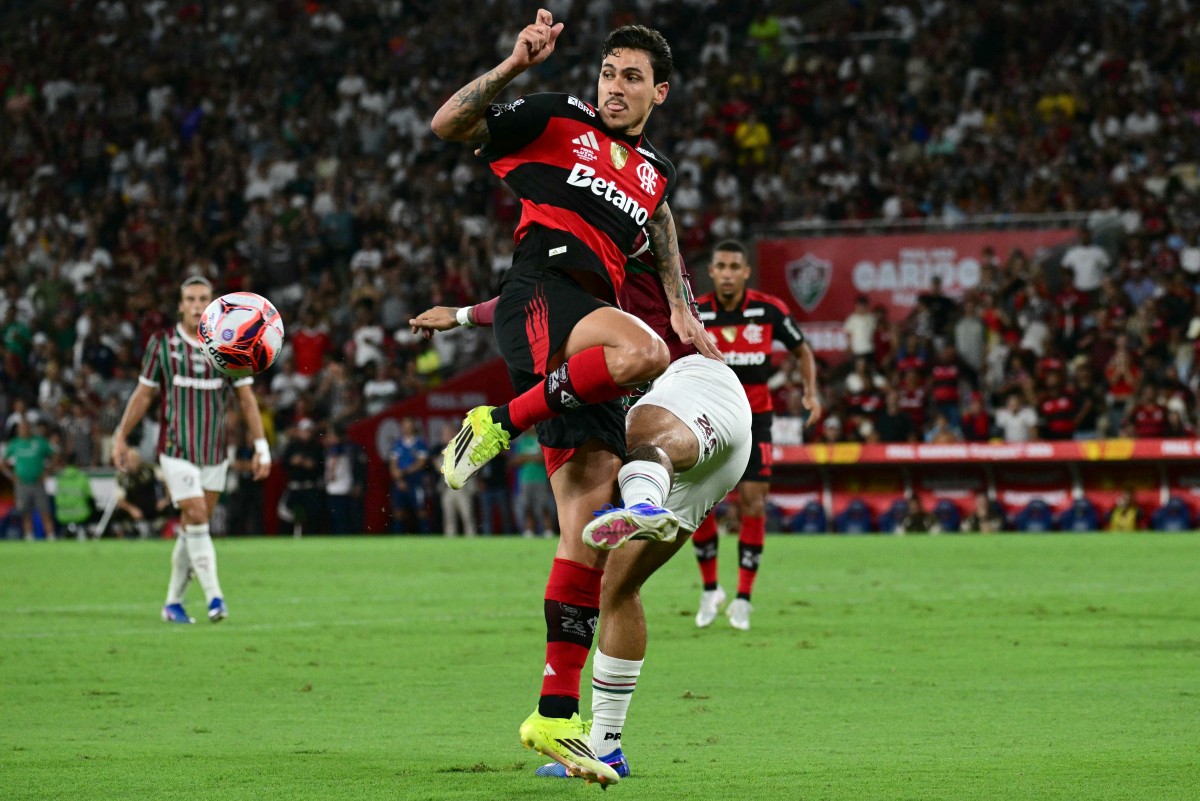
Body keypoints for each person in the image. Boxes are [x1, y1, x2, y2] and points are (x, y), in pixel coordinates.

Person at [430, 10, 717, 493]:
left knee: (589, 529)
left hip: (586, 332)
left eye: (631, 78)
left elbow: (660, 216)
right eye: (608, 74)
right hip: (541, 292)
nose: (614, 88)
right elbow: (446, 125)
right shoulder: (558, 116)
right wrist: (514, 65)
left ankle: (514, 422)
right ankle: (498, 422)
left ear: (660, 92)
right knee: (649, 351)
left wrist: (680, 305)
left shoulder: (656, 170)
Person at [111, 276, 271, 624]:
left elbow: (246, 399)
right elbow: (144, 394)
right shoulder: (162, 344)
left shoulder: (229, 343)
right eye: (190, 299)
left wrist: (261, 447)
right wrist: (120, 435)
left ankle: (173, 603)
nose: (197, 304)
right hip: (176, 449)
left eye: (203, 298)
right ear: (180, 304)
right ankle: (215, 598)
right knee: (197, 514)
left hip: (215, 452)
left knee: (192, 526)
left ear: (212, 303)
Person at [690, 239, 820, 631]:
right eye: (721, 266)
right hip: (710, 419)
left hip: (756, 419)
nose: (728, 273)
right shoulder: (697, 313)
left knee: (754, 503)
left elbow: (803, 350)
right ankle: (711, 589)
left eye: (735, 266)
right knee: (701, 505)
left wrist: (811, 392)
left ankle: (744, 598)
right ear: (711, 272)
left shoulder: (769, 310)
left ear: (746, 272)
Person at [2, 418, 57, 541]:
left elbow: (54, 455)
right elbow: (3, 464)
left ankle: (51, 536)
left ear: (30, 429)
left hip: (37, 482)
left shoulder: (39, 442)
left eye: (26, 427)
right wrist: (11, 476)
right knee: (25, 512)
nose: (24, 430)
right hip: (21, 483)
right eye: (21, 428)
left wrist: (47, 472)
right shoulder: (14, 444)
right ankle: (29, 536)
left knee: (44, 510)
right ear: (18, 430)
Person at [112, 447, 170, 539]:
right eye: (129, 460)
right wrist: (131, 509)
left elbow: (167, 482)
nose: (132, 463)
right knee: (118, 512)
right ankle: (130, 532)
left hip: (152, 504)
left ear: (139, 460)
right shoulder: (122, 476)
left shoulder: (151, 468)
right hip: (134, 505)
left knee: (169, 508)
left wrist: (165, 499)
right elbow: (119, 500)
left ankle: (156, 530)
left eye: (134, 460)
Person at [281, 418, 326, 536]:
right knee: (290, 516)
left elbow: (321, 466)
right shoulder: (292, 446)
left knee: (312, 517)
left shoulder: (317, 447)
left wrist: (311, 464)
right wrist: (292, 461)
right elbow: (283, 463)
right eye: (304, 431)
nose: (307, 433)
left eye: (309, 431)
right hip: (295, 487)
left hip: (310, 486)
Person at [388, 416, 430, 534]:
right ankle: (398, 540)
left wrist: (404, 472)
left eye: (409, 424)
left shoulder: (420, 443)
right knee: (398, 511)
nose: (407, 427)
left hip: (415, 481)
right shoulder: (397, 444)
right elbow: (393, 464)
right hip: (400, 480)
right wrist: (398, 478)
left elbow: (421, 463)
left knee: (420, 511)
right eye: (404, 424)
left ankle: (426, 538)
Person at [512, 431, 557, 537]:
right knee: (527, 506)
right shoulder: (522, 441)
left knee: (544, 505)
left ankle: (548, 530)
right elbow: (515, 461)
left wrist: (526, 457)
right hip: (525, 479)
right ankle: (529, 530)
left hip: (541, 478)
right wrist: (533, 457)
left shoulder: (543, 440)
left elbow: (544, 458)